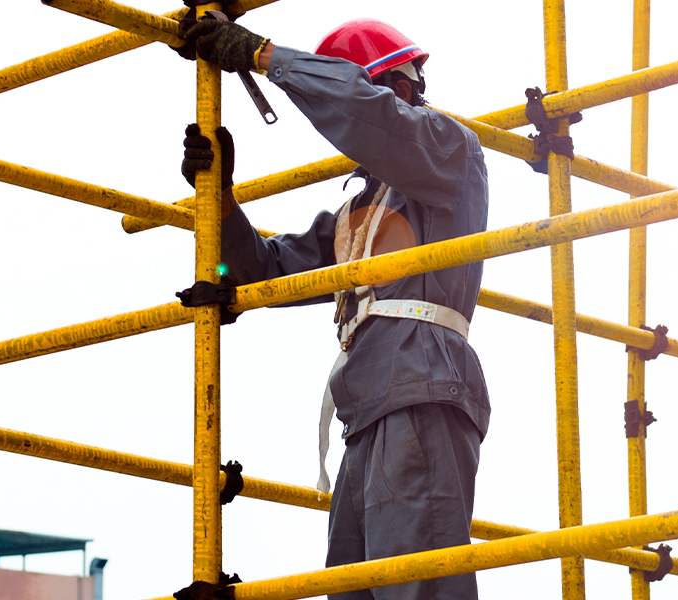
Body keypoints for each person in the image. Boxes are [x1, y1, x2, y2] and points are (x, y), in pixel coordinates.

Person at [176, 16, 489, 600]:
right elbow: (262, 270)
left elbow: (368, 117)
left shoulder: (449, 150)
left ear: (396, 90)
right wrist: (219, 198)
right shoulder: (358, 214)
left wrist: (266, 57)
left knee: (412, 586)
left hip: (419, 392)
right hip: (366, 408)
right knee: (354, 587)